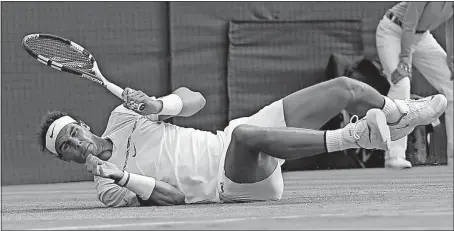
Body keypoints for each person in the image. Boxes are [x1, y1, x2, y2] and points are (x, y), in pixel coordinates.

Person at [37, 77, 447, 207]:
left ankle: (397, 116)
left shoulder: (122, 116)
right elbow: (174, 198)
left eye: (73, 131)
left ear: (85, 126)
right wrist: (121, 175)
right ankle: (358, 137)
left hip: (231, 136)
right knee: (247, 136)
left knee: (344, 89)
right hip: (229, 181)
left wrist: (158, 103)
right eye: (66, 146)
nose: (76, 142)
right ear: (67, 159)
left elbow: (195, 101)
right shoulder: (107, 189)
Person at [376, 1, 453, 168]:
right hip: (393, 31)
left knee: (452, 85)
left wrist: (451, 57)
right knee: (401, 84)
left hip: (422, 37)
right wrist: (405, 60)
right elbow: (410, 23)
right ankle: (393, 155)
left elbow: (451, 25)